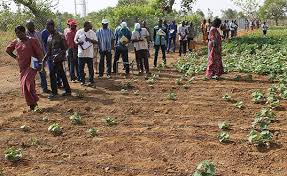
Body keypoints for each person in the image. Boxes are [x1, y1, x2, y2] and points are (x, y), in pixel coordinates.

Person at [6, 26, 44, 110]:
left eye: (20, 32)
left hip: (33, 64)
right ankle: (33, 104)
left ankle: (32, 104)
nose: (18, 34)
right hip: (22, 66)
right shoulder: (16, 41)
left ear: (24, 32)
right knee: (30, 84)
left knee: (26, 83)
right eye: (17, 33)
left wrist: (40, 63)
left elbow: (39, 52)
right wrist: (15, 57)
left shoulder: (32, 40)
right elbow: (8, 50)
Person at [44, 20, 71, 99]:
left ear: (53, 26)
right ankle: (68, 90)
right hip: (52, 59)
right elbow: (49, 51)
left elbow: (66, 47)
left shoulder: (60, 35)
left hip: (59, 59)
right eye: (47, 28)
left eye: (49, 27)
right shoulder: (49, 37)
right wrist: (44, 58)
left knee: (52, 74)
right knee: (62, 74)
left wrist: (59, 54)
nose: (48, 29)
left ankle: (54, 93)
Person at [26, 20, 50, 93]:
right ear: (27, 26)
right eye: (30, 25)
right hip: (31, 58)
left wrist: (44, 54)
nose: (32, 27)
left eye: (32, 25)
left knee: (42, 72)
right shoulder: (25, 34)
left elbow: (42, 44)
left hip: (39, 56)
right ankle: (32, 90)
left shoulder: (38, 33)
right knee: (32, 74)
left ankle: (44, 88)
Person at [74, 21, 97, 85]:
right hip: (81, 54)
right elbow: (75, 40)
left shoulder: (92, 32)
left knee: (90, 68)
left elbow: (96, 41)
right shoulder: (79, 31)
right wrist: (78, 43)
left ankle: (91, 80)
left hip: (89, 54)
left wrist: (89, 40)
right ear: (85, 26)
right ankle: (82, 80)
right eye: (89, 26)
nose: (90, 27)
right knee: (81, 68)